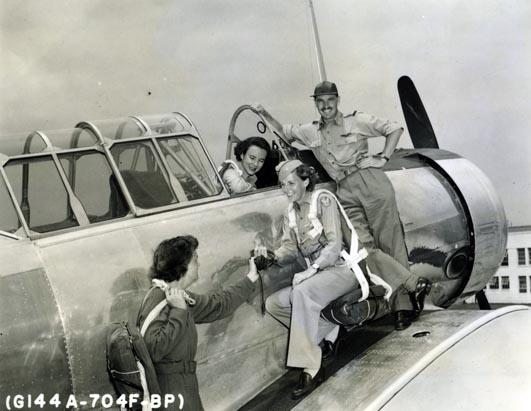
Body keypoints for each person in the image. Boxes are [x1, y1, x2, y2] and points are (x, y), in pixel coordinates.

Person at [253, 81, 431, 331]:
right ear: (315, 103)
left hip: (370, 182)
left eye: (330, 101)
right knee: (363, 249)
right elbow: (284, 131)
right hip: (343, 190)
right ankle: (414, 285)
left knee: (390, 241)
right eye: (320, 102)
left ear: (338, 100)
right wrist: (264, 114)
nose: (326, 106)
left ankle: (404, 306)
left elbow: (394, 128)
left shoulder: (355, 121)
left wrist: (383, 157)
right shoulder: (310, 131)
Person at [263, 159, 358, 399]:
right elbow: (290, 249)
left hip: (341, 270)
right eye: (283, 185)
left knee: (301, 292)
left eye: (291, 183)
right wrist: (272, 257)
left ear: (305, 181)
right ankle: (330, 329)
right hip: (318, 276)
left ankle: (311, 366)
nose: (287, 189)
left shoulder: (322, 200)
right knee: (274, 304)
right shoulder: (290, 212)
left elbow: (335, 245)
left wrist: (311, 269)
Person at [137, 235, 259, 410]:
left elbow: (217, 304)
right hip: (170, 391)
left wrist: (251, 277)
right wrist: (178, 311)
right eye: (195, 259)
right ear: (183, 265)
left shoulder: (175, 294)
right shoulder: (161, 298)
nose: (199, 263)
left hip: (184, 385)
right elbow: (154, 349)